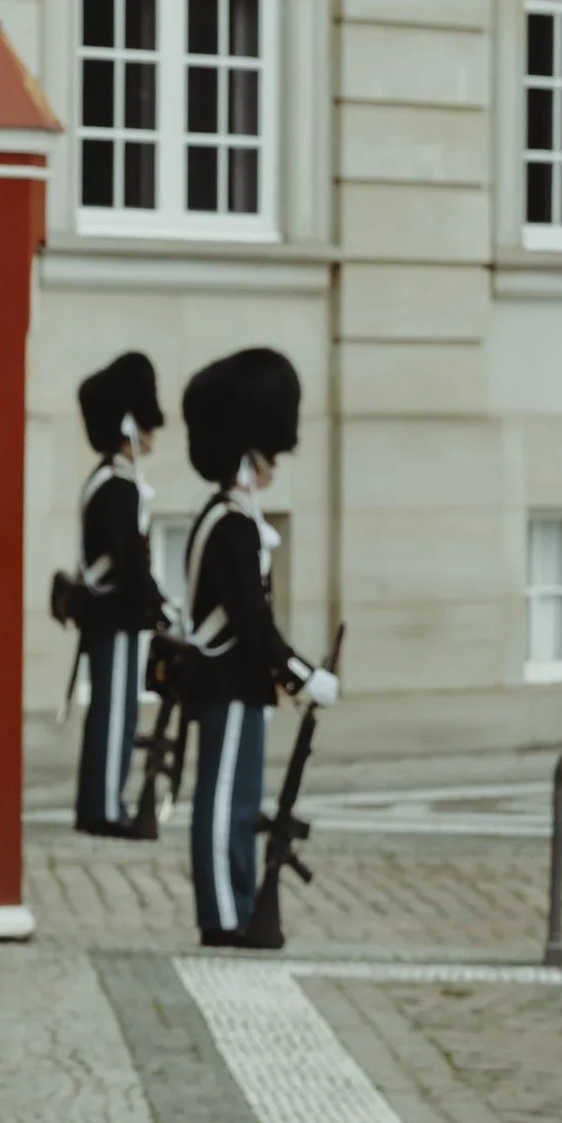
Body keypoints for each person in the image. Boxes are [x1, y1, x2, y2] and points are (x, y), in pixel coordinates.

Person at [176, 347, 339, 942]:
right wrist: (299, 674)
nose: (274, 463)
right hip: (228, 681)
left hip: (237, 683)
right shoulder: (233, 523)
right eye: (267, 454)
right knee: (224, 805)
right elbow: (250, 619)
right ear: (247, 456)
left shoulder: (235, 518)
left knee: (241, 804)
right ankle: (223, 916)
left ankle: (238, 907)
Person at [71, 351, 168, 836]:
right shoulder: (118, 486)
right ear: (129, 426)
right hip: (115, 614)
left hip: (112, 613)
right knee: (115, 714)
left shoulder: (114, 481)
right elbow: (128, 561)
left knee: (117, 709)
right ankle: (103, 807)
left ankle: (102, 801)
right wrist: (158, 605)